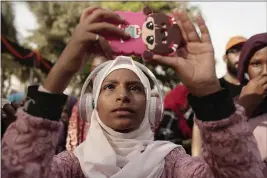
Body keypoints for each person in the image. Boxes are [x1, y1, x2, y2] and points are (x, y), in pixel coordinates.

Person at [1, 6, 265, 178]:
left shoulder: (172, 163)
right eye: (109, 86)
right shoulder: (71, 166)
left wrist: (208, 91)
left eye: (135, 87)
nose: (123, 95)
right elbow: (16, 172)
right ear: (91, 103)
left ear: (152, 106)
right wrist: (60, 73)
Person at [191, 36, 247, 156]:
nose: (240, 55)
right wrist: (196, 159)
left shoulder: (255, 87)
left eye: (244, 50)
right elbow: (198, 123)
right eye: (235, 51)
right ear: (225, 58)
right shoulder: (215, 87)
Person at [66, 55, 108, 151]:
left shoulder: (119, 102)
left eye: (102, 68)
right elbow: (72, 140)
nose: (97, 73)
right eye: (94, 69)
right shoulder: (83, 104)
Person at [237, 32, 267, 165]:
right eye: (256, 64)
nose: (265, 71)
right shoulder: (229, 109)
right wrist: (244, 108)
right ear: (245, 70)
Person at [155, 84, 194, 154]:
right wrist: (187, 142)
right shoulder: (170, 114)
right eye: (188, 102)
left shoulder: (177, 115)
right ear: (181, 99)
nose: (189, 106)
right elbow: (164, 141)